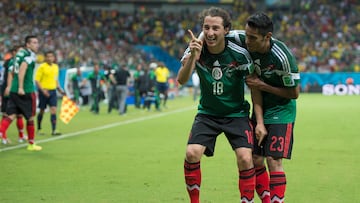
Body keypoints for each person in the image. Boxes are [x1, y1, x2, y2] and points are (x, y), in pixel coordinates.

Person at [177, 7, 264, 203]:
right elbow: (181, 80)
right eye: (206, 27)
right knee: (191, 153)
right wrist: (193, 56)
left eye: (215, 28)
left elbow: (255, 86)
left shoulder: (240, 54)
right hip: (208, 113)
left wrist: (259, 122)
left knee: (245, 158)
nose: (210, 33)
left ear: (226, 30)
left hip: (236, 114)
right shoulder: (195, 48)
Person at [230, 12, 300, 203]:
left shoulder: (282, 57)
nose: (248, 41)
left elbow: (294, 94)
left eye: (253, 38)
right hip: (261, 105)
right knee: (255, 158)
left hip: (282, 110)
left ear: (267, 37)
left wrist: (263, 86)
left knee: (273, 160)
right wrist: (259, 122)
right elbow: (217, 32)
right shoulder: (245, 40)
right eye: (247, 35)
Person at [0, 35, 42, 151]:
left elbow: (13, 70)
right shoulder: (28, 56)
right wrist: (21, 87)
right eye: (34, 43)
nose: (36, 45)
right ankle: (31, 144)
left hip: (14, 90)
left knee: (12, 115)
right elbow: (22, 70)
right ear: (27, 44)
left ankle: (1, 132)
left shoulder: (18, 55)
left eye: (37, 42)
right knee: (30, 118)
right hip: (26, 90)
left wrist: (12, 86)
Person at [35, 51, 65, 136]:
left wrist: (59, 89)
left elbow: (55, 80)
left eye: (51, 56)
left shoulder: (56, 67)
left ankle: (54, 130)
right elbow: (37, 80)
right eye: (48, 57)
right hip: (44, 91)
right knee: (42, 111)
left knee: (53, 110)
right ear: (45, 58)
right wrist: (43, 90)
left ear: (54, 58)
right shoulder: (42, 67)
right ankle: (39, 129)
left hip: (53, 91)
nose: (49, 58)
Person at [0, 45, 26, 144]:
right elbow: (9, 78)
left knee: (19, 114)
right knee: (7, 114)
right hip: (9, 90)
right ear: (14, 52)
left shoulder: (13, 62)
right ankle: (3, 136)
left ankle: (21, 136)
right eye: (20, 52)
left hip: (13, 90)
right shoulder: (11, 62)